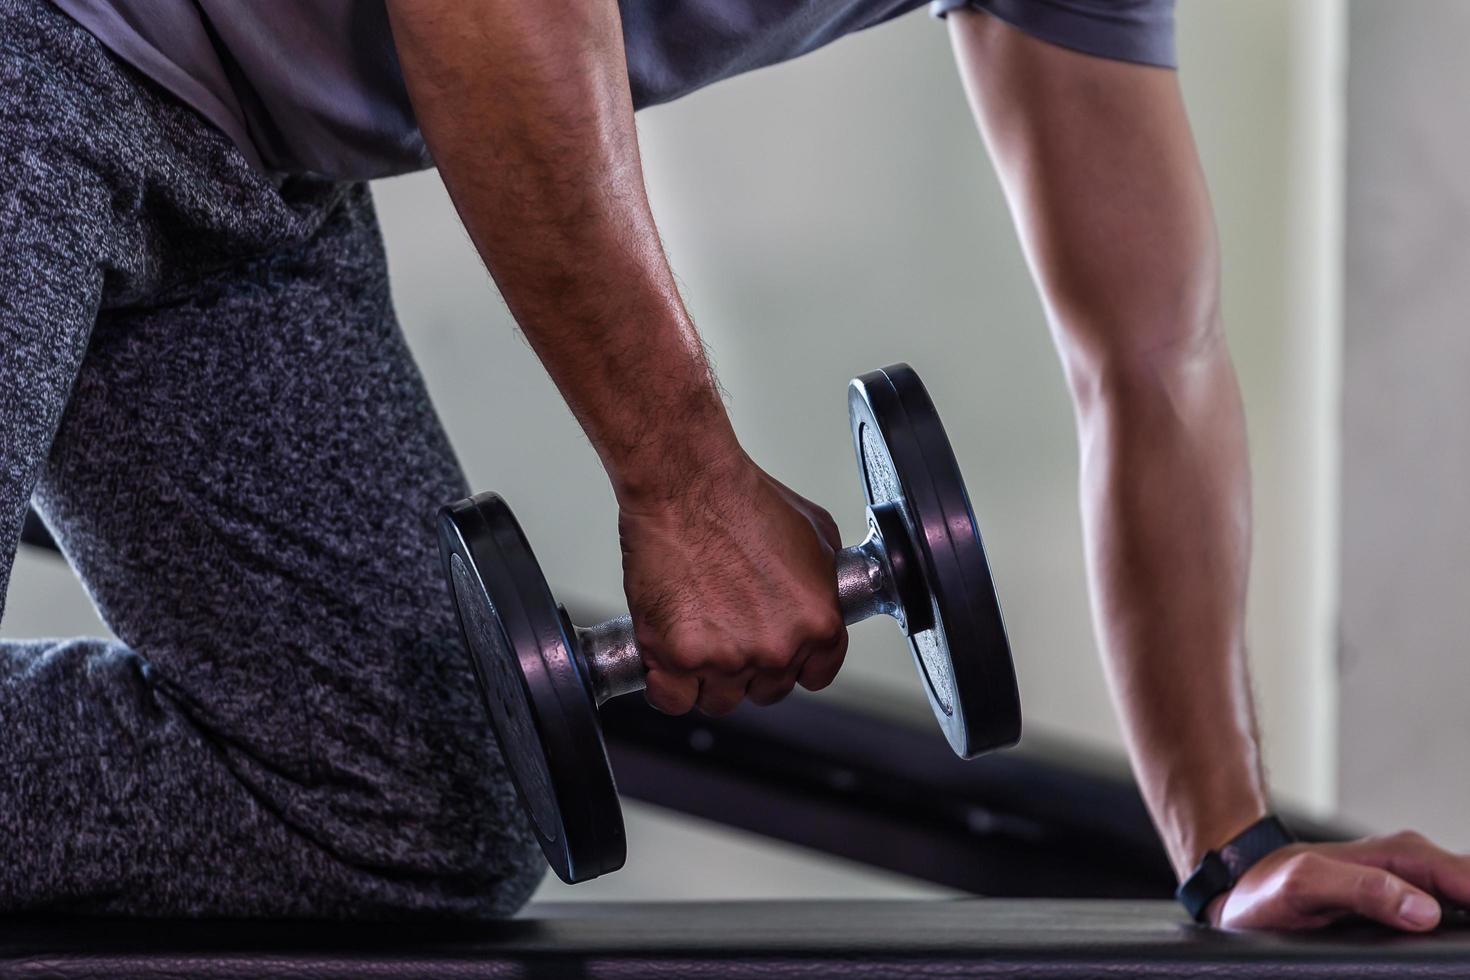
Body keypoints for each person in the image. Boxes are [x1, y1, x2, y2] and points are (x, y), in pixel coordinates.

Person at [1, 0, 1466, 929]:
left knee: (400, 806)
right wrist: (685, 482)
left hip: (238, 177)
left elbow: (1152, 357)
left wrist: (1225, 852)